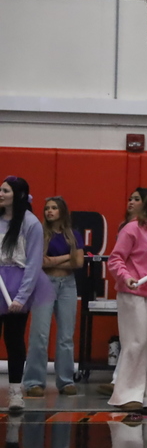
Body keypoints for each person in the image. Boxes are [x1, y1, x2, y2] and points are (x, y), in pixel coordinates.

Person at [106, 189, 147, 413]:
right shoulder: (132, 228)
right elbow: (115, 259)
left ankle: (146, 396)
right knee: (135, 343)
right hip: (133, 293)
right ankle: (126, 395)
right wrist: (127, 278)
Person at [0, 177, 54, 414]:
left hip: (17, 285)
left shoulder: (31, 224)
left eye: (5, 190)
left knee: (13, 339)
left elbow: (33, 264)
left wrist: (21, 296)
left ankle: (15, 393)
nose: (0, 193)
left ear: (19, 195)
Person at [23, 196, 83, 397]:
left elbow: (79, 263)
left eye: (54, 208)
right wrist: (68, 256)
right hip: (45, 283)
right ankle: (34, 382)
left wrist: (55, 260)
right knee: (39, 334)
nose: (49, 211)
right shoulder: (39, 233)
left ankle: (65, 381)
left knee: (66, 336)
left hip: (68, 285)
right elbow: (41, 262)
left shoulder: (73, 235)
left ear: (62, 211)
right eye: (47, 208)